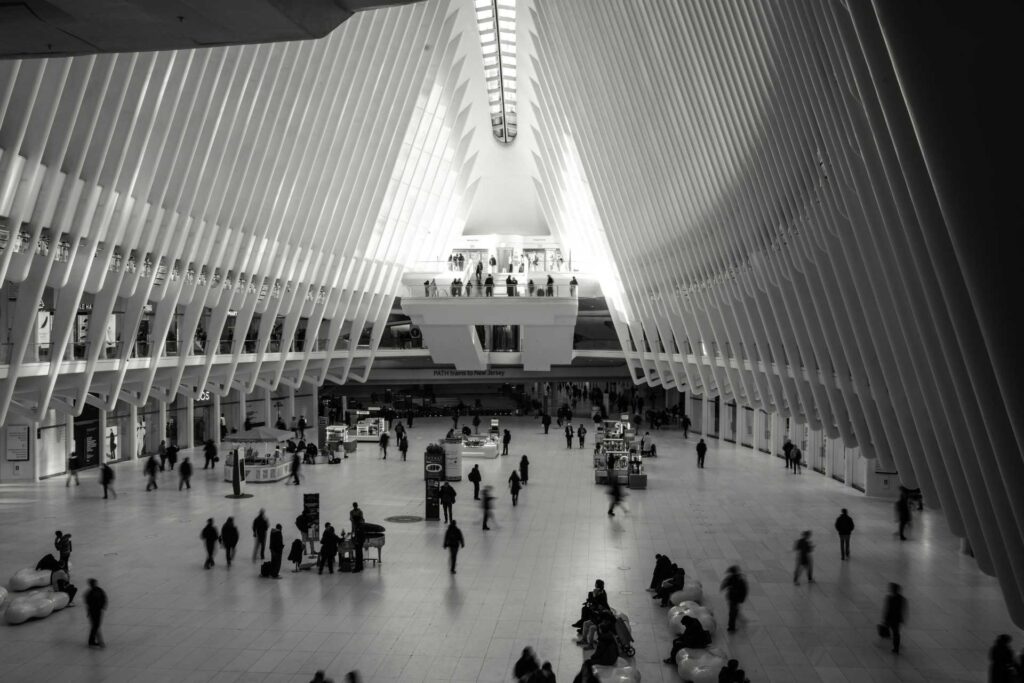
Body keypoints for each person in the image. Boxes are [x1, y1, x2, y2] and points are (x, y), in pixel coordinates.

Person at [720, 565, 748, 632]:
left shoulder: (731, 578)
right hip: (735, 598)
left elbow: (725, 584)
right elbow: (744, 590)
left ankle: (732, 625)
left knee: (733, 610)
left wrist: (723, 587)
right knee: (732, 612)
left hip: (732, 597)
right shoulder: (740, 579)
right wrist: (742, 599)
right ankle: (731, 627)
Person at [882, 582, 906, 654]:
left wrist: (885, 618)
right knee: (896, 633)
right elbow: (903, 609)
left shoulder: (890, 598)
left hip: (891, 618)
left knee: (892, 631)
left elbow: (888, 609)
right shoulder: (901, 598)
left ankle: (894, 645)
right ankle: (896, 647)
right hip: (897, 619)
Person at [85, 578, 107, 648]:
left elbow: (103, 598)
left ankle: (92, 641)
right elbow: (103, 598)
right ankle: (94, 641)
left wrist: (103, 606)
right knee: (96, 626)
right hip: (95, 611)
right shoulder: (96, 591)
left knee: (96, 626)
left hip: (96, 611)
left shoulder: (92, 592)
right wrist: (103, 606)